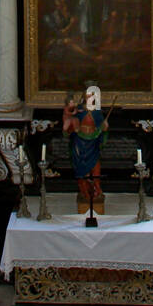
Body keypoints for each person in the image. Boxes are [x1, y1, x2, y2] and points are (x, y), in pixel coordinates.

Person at [63, 83, 110, 213]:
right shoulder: (78, 110)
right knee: (81, 169)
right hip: (79, 142)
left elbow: (102, 128)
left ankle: (96, 190)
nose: (90, 99)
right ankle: (84, 192)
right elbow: (69, 124)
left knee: (95, 167)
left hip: (92, 143)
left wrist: (104, 128)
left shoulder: (97, 113)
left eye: (92, 97)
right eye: (87, 96)